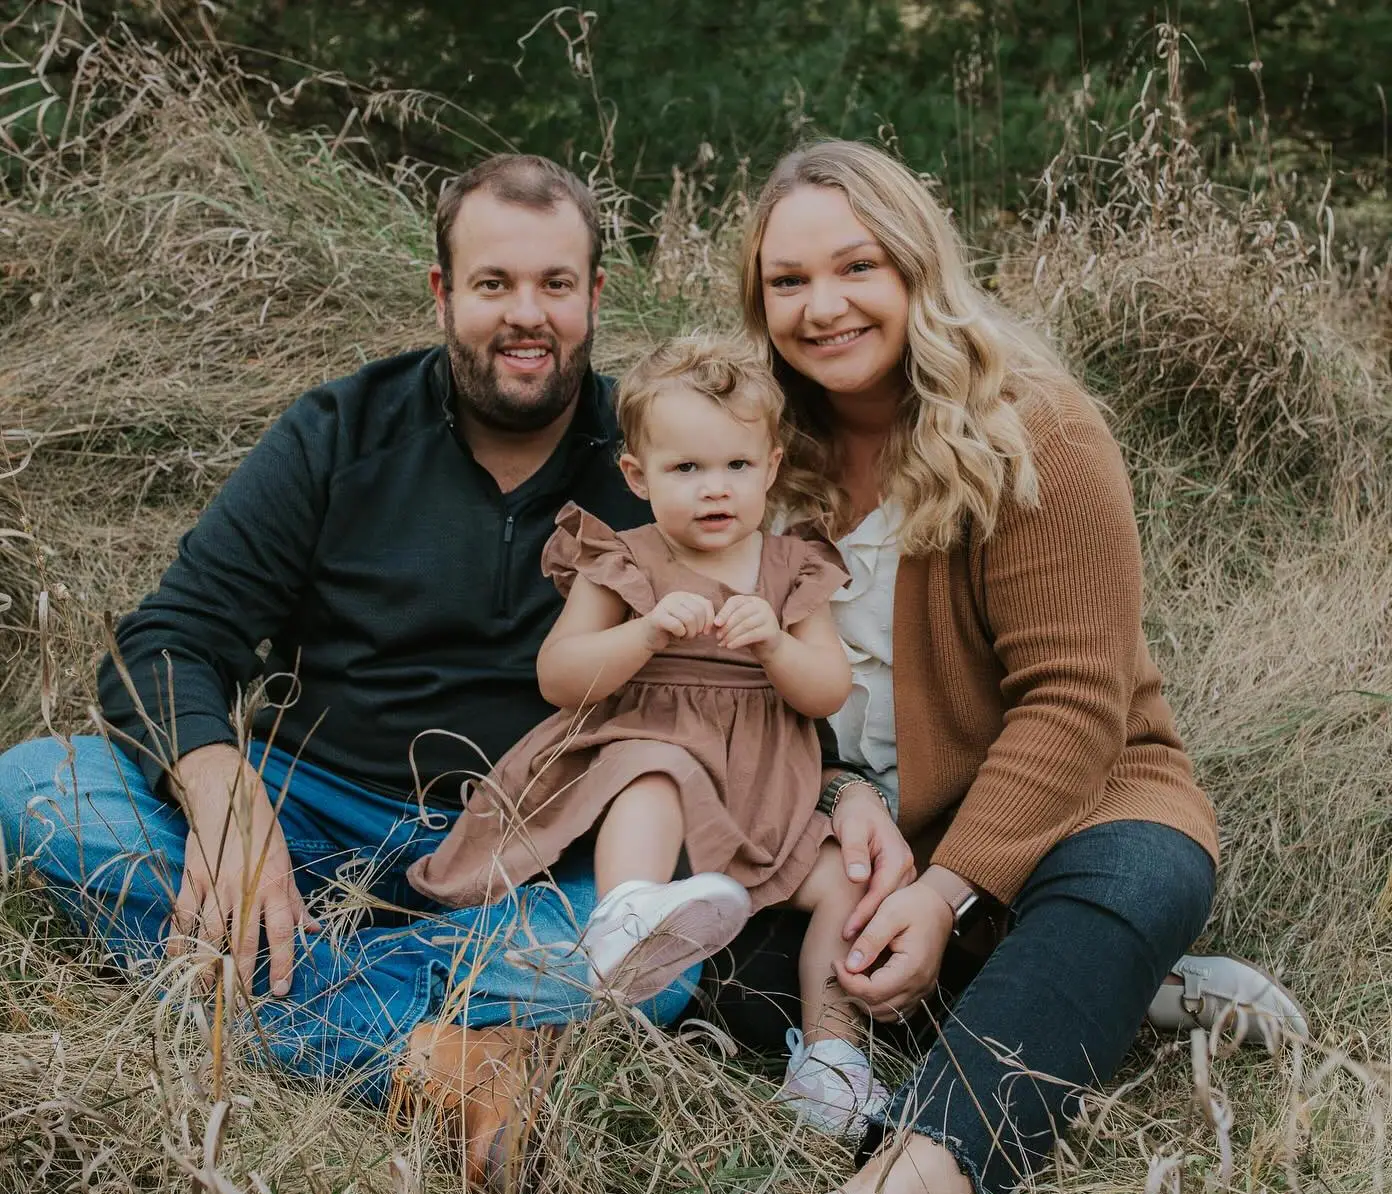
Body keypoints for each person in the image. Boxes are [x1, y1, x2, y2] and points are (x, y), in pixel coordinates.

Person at [0, 153, 693, 1185]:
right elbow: (171, 637)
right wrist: (223, 793)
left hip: (524, 848)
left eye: (555, 284)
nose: (526, 316)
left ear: (596, 294)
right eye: (493, 283)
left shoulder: (656, 461)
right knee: (32, 788)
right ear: (442, 292)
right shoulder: (339, 434)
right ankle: (443, 1052)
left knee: (660, 948)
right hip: (311, 808)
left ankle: (308, 995)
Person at [719, 138, 1310, 1194]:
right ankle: (1108, 990)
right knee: (725, 969)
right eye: (788, 281)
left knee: (1130, 879)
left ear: (916, 266)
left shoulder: (1032, 428)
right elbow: (761, 699)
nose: (823, 306)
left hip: (1075, 807)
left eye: (858, 267)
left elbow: (1076, 704)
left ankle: (921, 1164)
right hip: (864, 840)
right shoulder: (758, 458)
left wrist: (945, 893)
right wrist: (845, 796)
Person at [410, 333, 887, 1133]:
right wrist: (645, 637)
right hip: (646, 778)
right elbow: (559, 676)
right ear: (638, 475)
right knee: (656, 765)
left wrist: (773, 641)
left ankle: (832, 1059)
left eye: (736, 467)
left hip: (756, 801)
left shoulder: (790, 570)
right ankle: (625, 917)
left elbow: (827, 691)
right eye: (686, 469)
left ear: (771, 467)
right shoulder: (624, 561)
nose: (715, 490)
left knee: (846, 877)